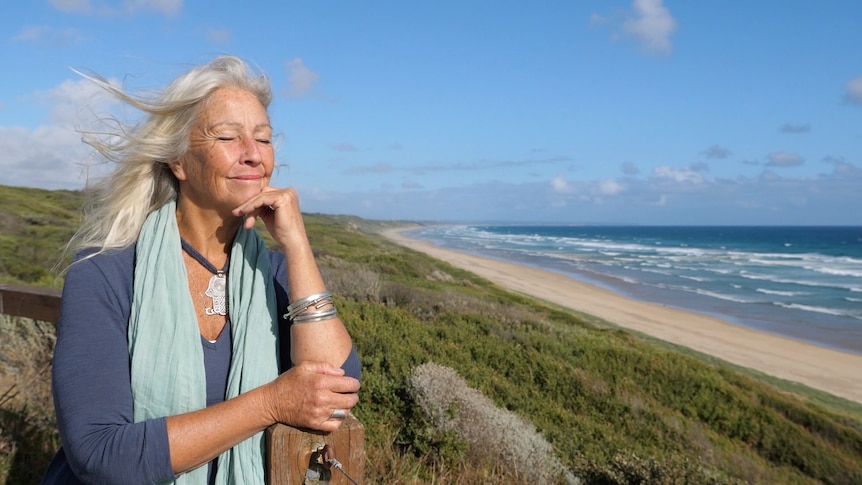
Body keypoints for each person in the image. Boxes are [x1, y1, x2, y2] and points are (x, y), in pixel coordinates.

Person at [42, 56, 361, 484]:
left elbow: (336, 389)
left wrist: (297, 245)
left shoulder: (278, 274)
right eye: (228, 136)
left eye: (263, 140)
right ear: (178, 162)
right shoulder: (105, 273)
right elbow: (100, 453)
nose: (253, 155)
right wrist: (269, 404)